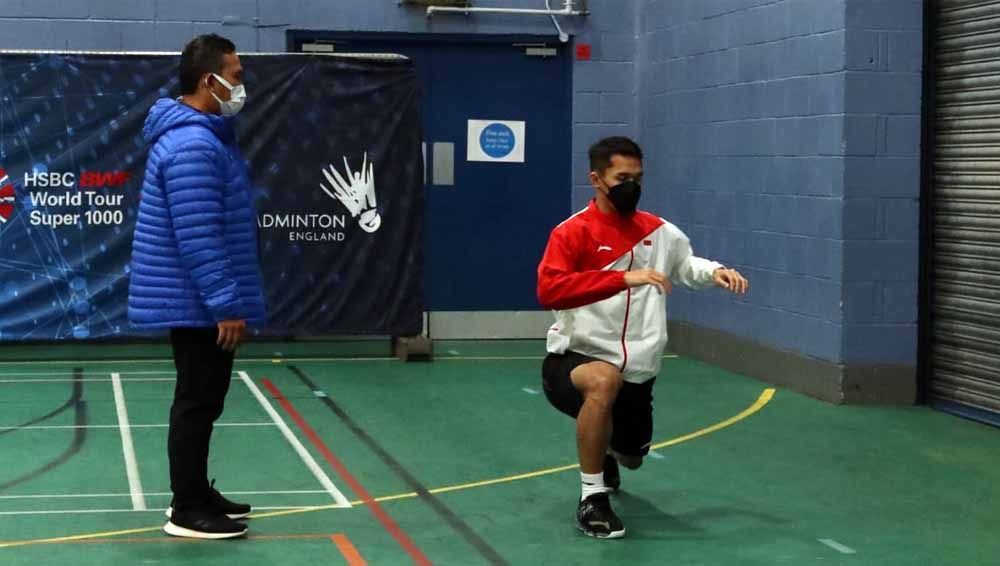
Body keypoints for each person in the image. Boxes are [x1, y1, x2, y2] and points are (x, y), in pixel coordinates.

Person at [536, 136, 748, 539]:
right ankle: (592, 499)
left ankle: (610, 452)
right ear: (597, 180)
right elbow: (550, 290)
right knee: (603, 381)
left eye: (638, 177)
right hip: (573, 362)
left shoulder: (659, 231)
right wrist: (622, 279)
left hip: (638, 369)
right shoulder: (572, 233)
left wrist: (713, 271)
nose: (631, 185)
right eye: (621, 177)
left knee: (632, 456)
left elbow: (685, 263)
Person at [128, 34, 266, 540]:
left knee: (205, 398)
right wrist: (225, 304)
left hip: (197, 300)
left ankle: (196, 491)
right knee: (196, 399)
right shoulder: (192, 144)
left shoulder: (204, 136)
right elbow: (198, 235)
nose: (241, 82)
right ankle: (186, 509)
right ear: (208, 80)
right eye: (235, 74)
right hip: (197, 303)